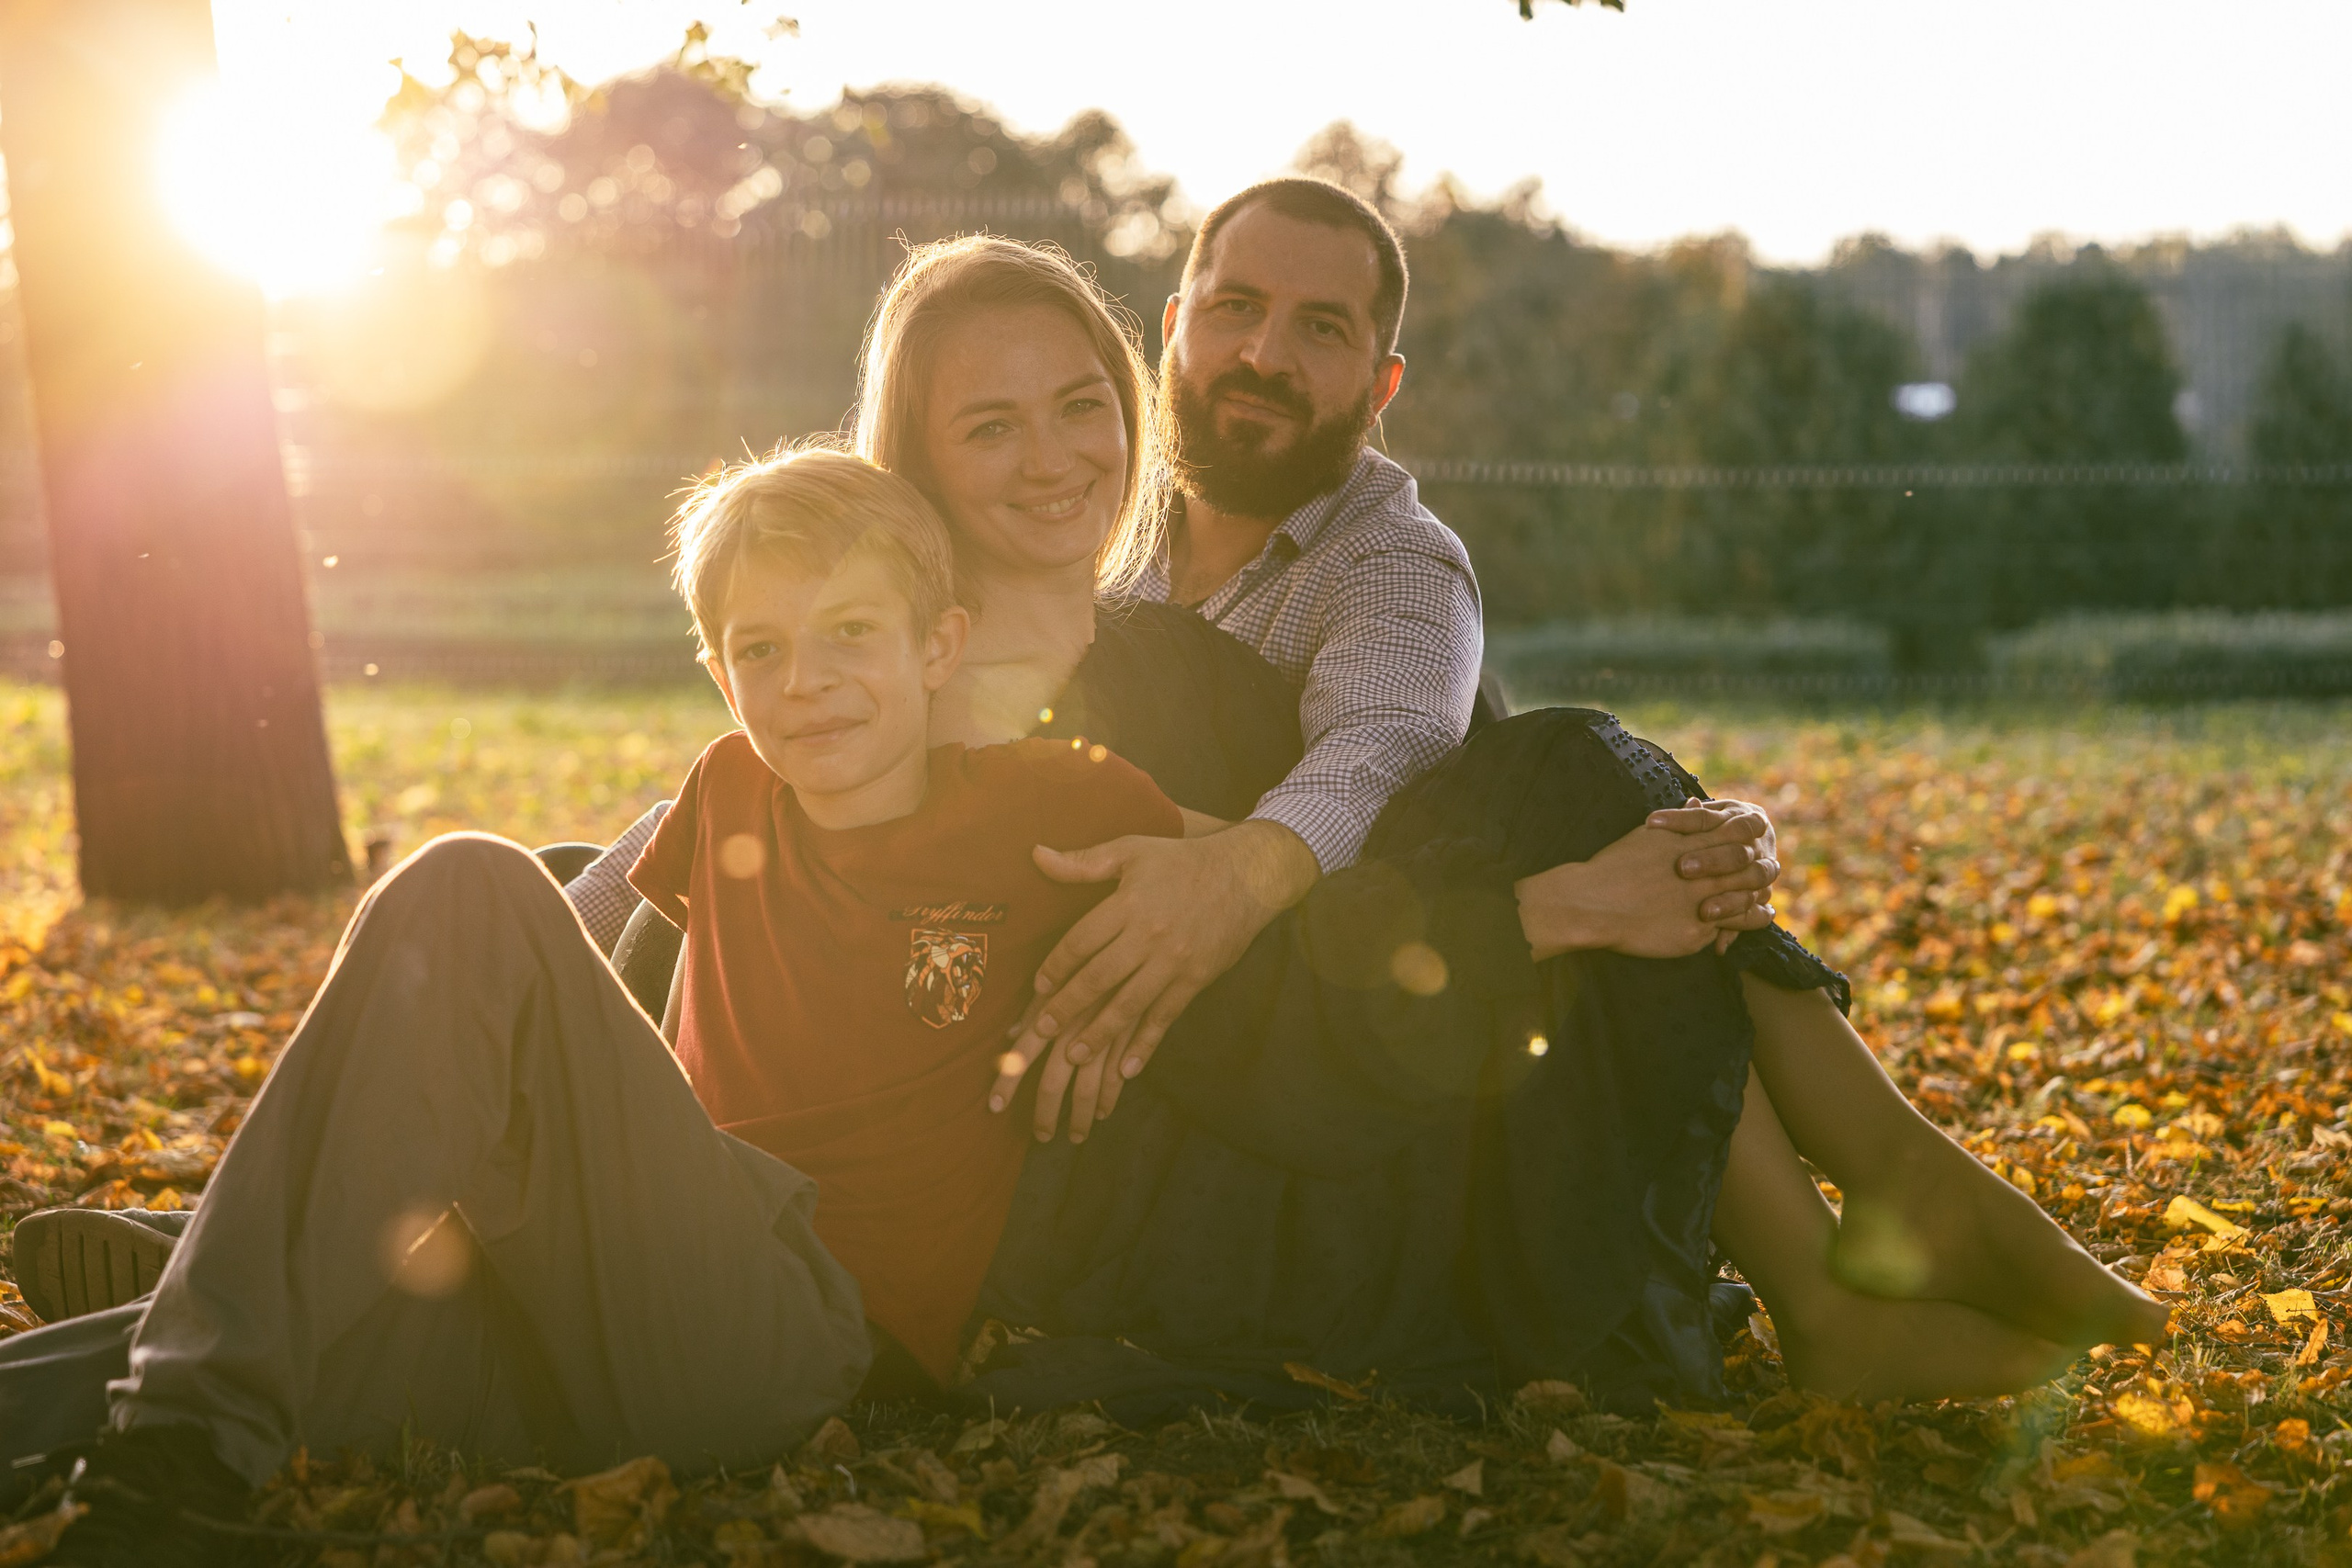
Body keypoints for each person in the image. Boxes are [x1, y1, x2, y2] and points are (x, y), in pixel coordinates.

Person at [0, 449, 1193, 1563]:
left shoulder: (1049, 804)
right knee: (264, 1342)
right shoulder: (728, 789)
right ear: (721, 677)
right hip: (589, 1312)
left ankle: (207, 1322)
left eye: (849, 633)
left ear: (939, 647)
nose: (808, 681)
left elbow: (1249, 863)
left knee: (471, 880)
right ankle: (176, 1436)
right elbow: (574, 946)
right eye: (761, 651)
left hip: (793, 1337)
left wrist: (1241, 870)